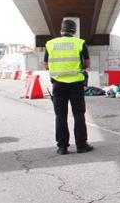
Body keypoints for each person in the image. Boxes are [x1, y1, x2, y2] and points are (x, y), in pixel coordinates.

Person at [44, 19, 93, 155]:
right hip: (76, 84)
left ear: (61, 30)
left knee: (60, 115)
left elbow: (46, 65)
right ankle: (81, 145)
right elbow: (87, 64)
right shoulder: (80, 43)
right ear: (74, 31)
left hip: (58, 85)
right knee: (78, 114)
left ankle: (62, 147)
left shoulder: (50, 44)